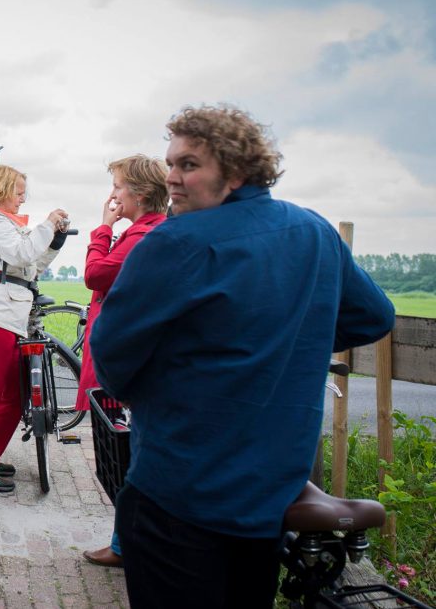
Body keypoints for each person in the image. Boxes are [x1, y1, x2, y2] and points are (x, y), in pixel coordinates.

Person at [91, 105, 396, 608]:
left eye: (189, 165)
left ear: (236, 171)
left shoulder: (177, 242)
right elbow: (374, 317)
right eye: (171, 164)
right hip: (272, 491)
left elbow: (113, 353)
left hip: (181, 485)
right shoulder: (314, 231)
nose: (171, 177)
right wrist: (286, 343)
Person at [77, 154, 168, 568]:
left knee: (132, 451)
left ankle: (125, 545)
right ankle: (126, 541)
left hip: (127, 360)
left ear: (141, 194)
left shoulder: (140, 236)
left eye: (118, 186)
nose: (112, 194)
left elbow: (96, 274)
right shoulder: (149, 232)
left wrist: (103, 228)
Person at [0, 164, 68, 492]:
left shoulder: (9, 226)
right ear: (3, 191)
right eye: (19, 192)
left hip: (7, 319)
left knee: (14, 396)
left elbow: (30, 266)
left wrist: (55, 241)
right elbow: (21, 253)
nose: (22, 198)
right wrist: (47, 224)